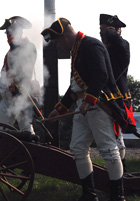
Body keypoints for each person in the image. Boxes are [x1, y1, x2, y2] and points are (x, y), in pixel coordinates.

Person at [41, 18, 125, 201]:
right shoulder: (77, 49)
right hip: (85, 106)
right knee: (78, 148)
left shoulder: (91, 45)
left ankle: (118, 196)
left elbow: (100, 74)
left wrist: (88, 100)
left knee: (109, 150)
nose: (57, 46)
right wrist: (60, 109)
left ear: (64, 36)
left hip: (98, 106)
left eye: (56, 41)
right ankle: (89, 194)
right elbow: (75, 87)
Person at [99, 14, 135, 173]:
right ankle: (120, 170)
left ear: (115, 30)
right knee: (114, 136)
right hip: (106, 96)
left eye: (104, 30)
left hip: (119, 97)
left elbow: (115, 39)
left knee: (117, 134)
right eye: (101, 30)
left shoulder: (122, 45)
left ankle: (123, 170)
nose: (101, 33)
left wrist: (109, 30)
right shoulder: (103, 48)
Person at [0, 16, 37, 134]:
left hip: (19, 95)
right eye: (7, 32)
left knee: (27, 132)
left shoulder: (28, 47)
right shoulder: (9, 53)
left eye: (11, 31)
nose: (8, 35)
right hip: (6, 97)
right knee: (2, 133)